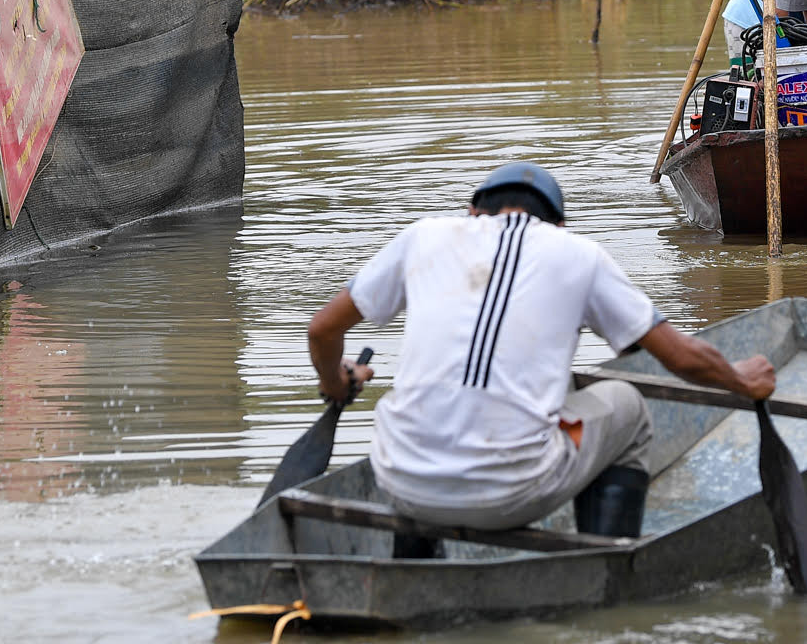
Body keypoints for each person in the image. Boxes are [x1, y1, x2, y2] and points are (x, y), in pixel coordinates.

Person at [304, 163, 775, 542]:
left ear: (473, 211)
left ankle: (413, 565)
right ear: (559, 224)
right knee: (627, 406)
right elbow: (681, 358)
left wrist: (333, 382)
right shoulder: (578, 254)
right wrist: (742, 380)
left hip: (400, 481)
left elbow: (322, 331)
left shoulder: (424, 236)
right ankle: (602, 569)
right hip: (514, 492)